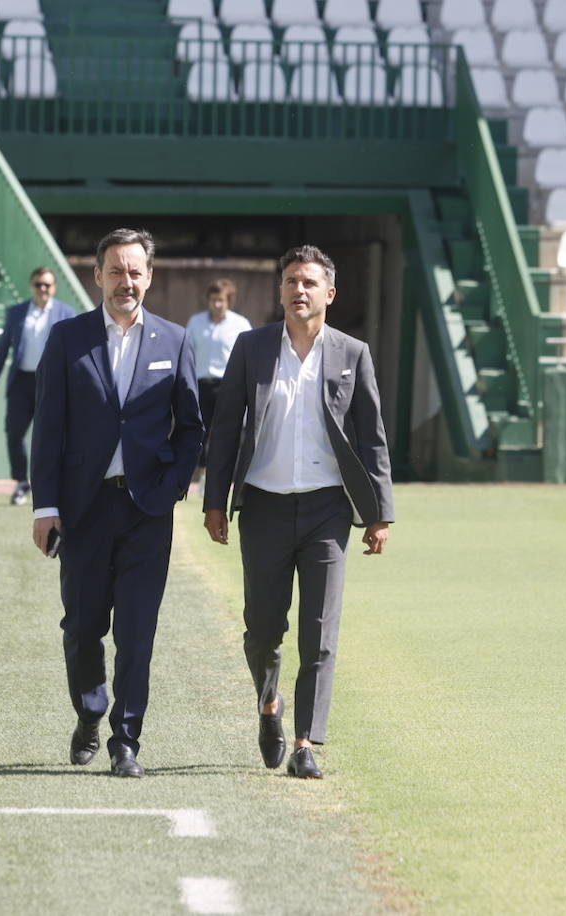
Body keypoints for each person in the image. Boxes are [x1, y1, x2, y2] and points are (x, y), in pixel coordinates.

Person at [202, 245, 393, 779]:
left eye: (309, 282)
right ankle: (270, 704)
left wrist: (379, 514)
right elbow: (223, 431)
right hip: (262, 505)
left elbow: (373, 438)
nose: (299, 290)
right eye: (290, 281)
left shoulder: (353, 353)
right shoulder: (252, 348)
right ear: (280, 290)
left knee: (320, 630)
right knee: (262, 630)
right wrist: (216, 500)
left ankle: (307, 742)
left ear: (329, 294)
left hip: (328, 510)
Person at [30, 228, 202, 778]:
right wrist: (45, 506)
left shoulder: (175, 341)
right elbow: (49, 429)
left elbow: (192, 427)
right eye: (115, 270)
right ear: (97, 275)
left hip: (147, 511)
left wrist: (173, 483)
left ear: (149, 277)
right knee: (82, 628)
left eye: (135, 271)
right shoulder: (68, 339)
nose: (125, 281)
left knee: (137, 631)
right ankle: (90, 712)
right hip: (83, 510)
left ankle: (126, 740)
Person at [0, 268, 76, 506]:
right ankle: (21, 482)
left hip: (53, 383)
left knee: (53, 435)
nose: (42, 289)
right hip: (22, 382)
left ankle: (52, 483)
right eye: (38, 285)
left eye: (47, 285)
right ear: (31, 286)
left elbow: (74, 351)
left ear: (54, 288)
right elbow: (3, 347)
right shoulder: (17, 312)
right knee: (14, 433)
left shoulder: (66, 313)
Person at [185, 278, 252, 484]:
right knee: (199, 432)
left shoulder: (240, 324)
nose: (216, 304)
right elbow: (187, 353)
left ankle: (230, 479)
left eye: (221, 300)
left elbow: (248, 357)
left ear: (228, 301)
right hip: (201, 385)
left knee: (229, 432)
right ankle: (201, 477)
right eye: (213, 300)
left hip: (228, 385)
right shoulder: (196, 322)